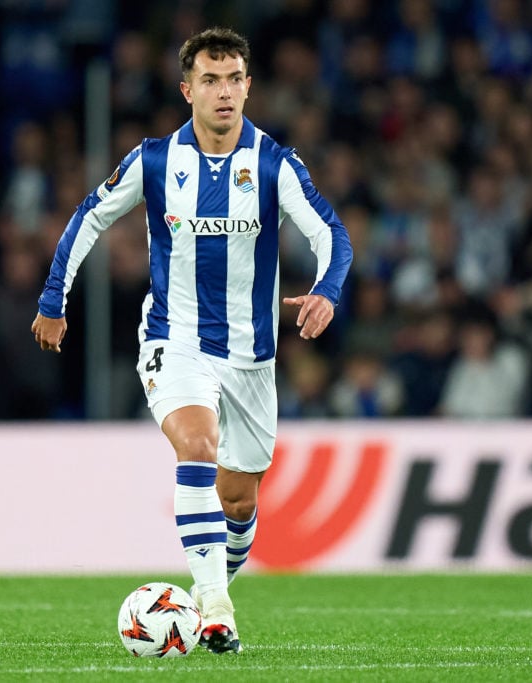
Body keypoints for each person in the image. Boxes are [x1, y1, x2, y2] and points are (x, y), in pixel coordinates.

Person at [32, 27, 352, 654]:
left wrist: (328, 291)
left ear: (249, 86)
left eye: (235, 79)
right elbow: (88, 216)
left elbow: (331, 233)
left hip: (252, 358)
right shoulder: (154, 160)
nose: (225, 91)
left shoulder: (274, 164)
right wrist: (53, 298)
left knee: (238, 502)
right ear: (188, 90)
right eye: (211, 79)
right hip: (173, 340)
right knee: (197, 445)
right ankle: (214, 605)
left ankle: (210, 588)